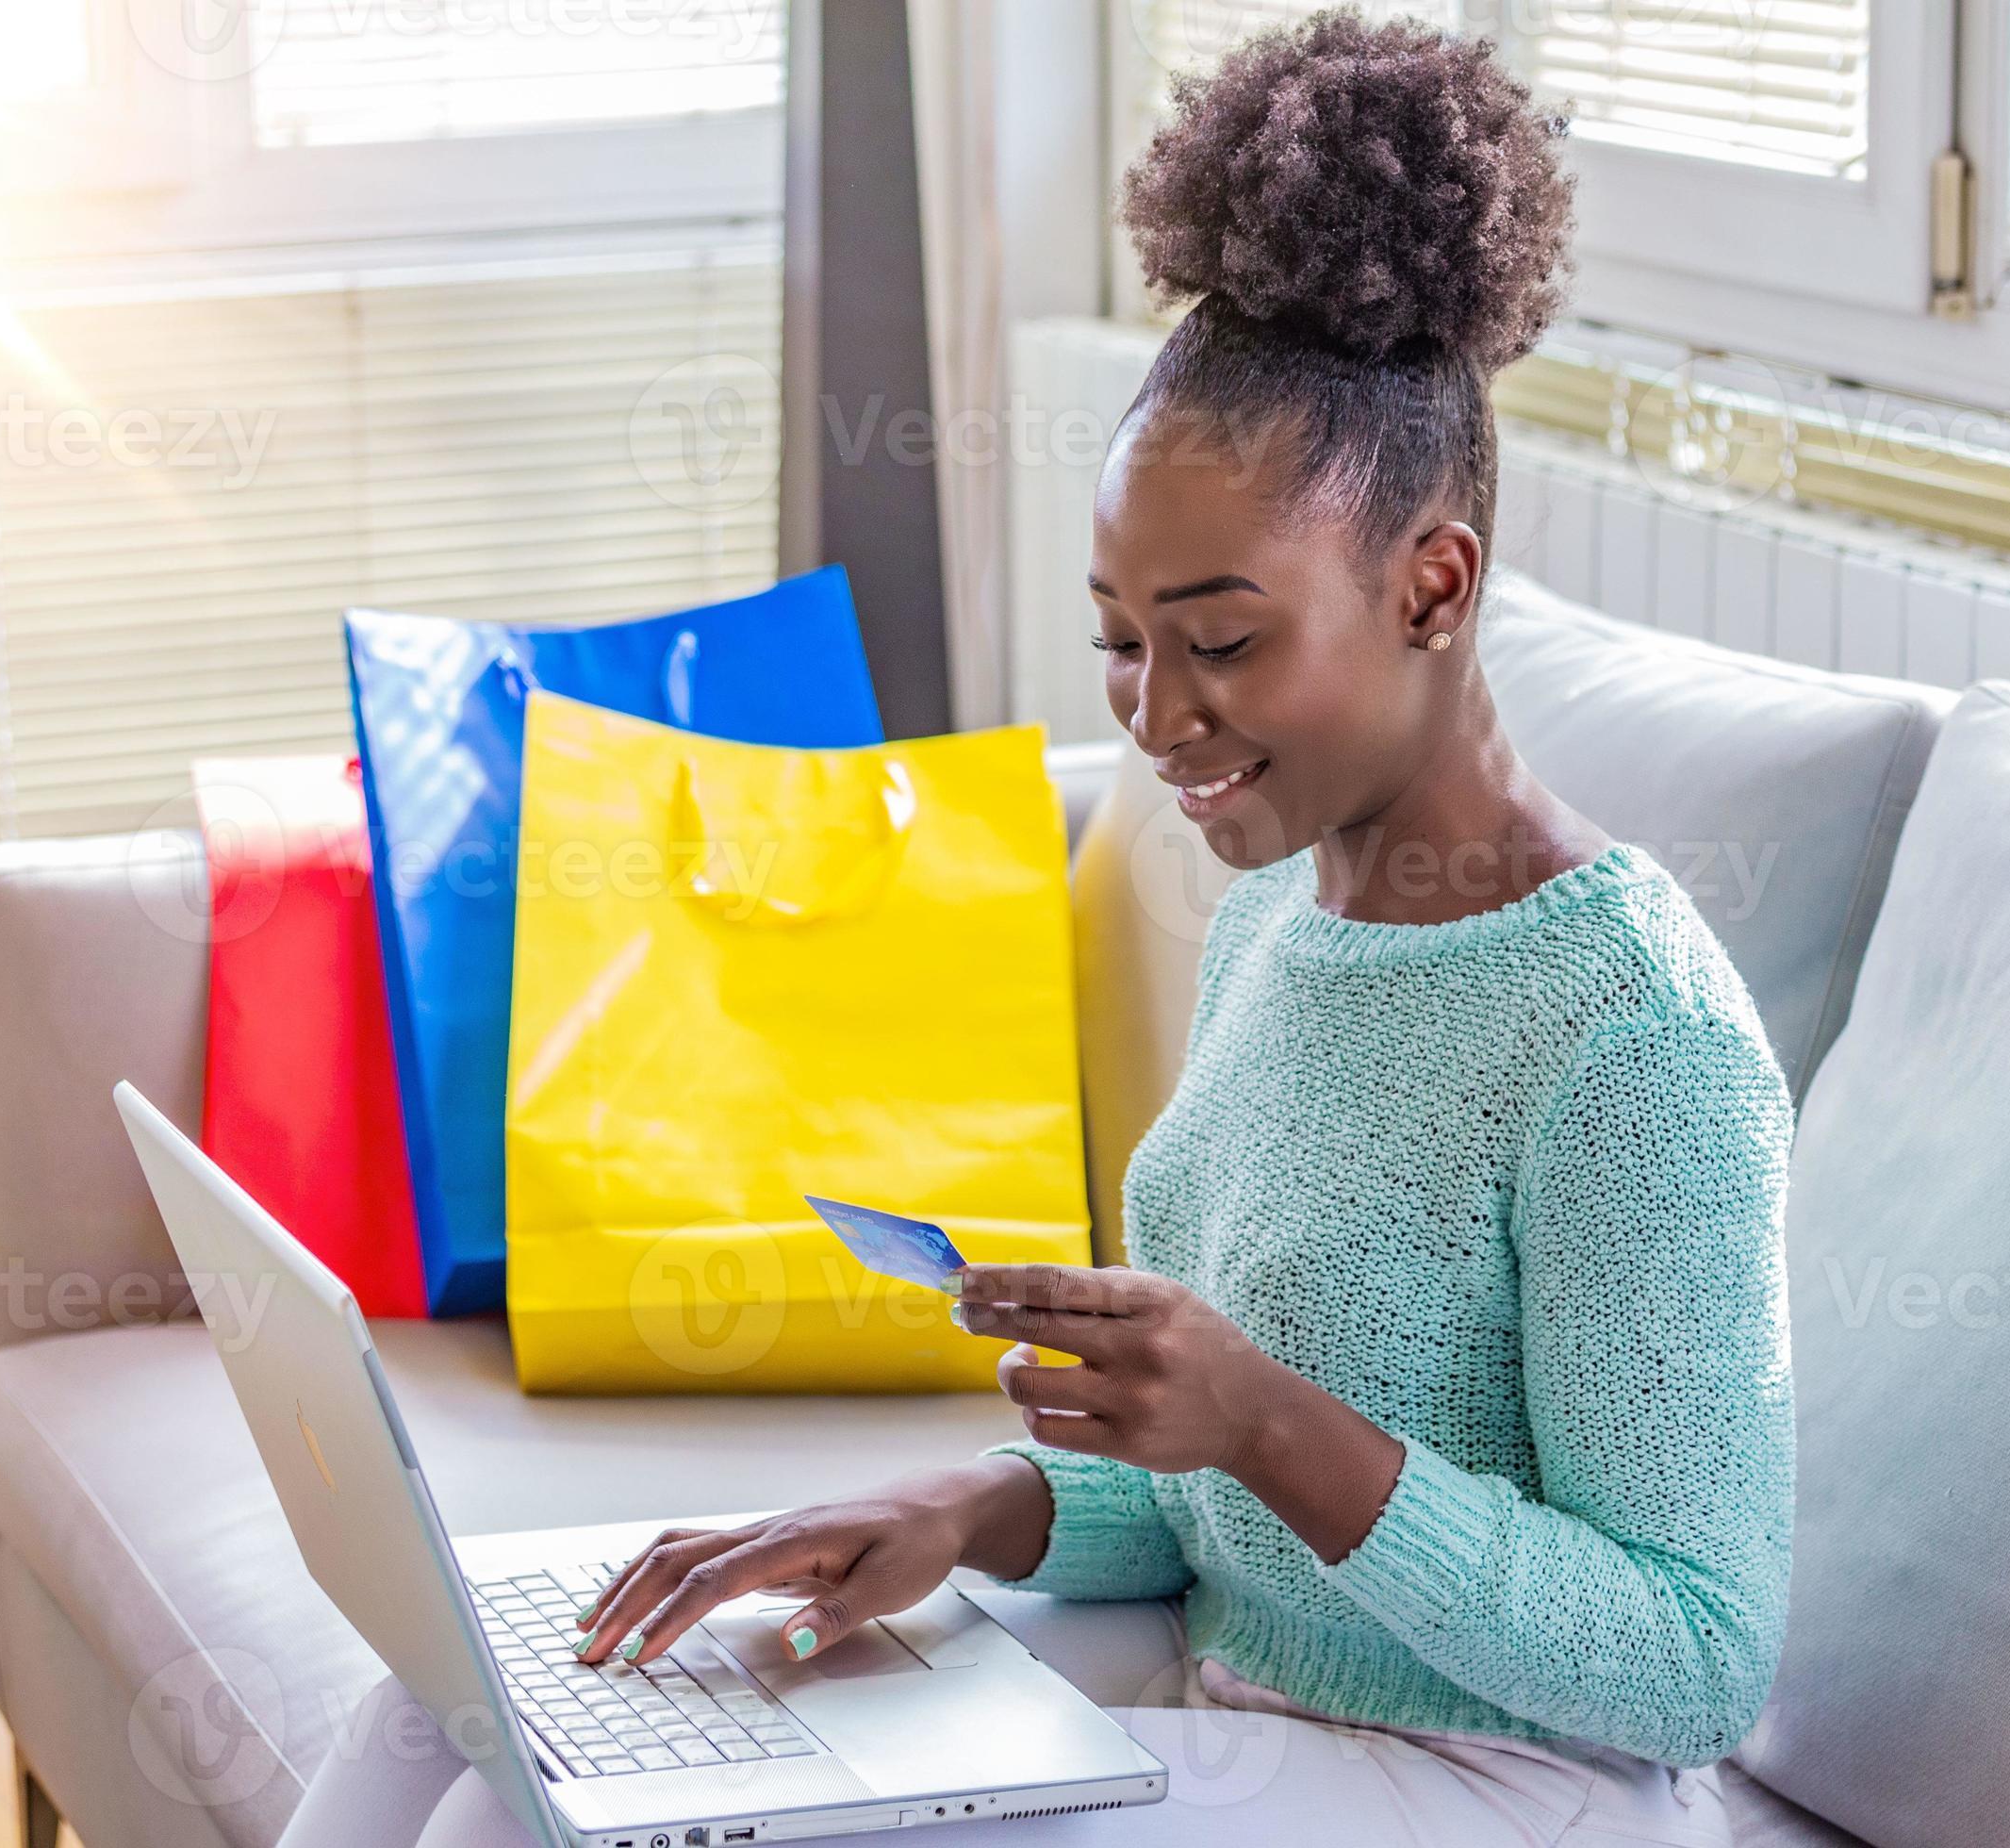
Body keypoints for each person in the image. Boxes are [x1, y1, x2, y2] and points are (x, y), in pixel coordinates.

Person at [285, 15, 1790, 1844]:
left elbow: (1699, 1658)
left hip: (1516, 1788)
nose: (1155, 716)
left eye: (1221, 640)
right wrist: (961, 1507)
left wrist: (1258, 1413)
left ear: (1436, 581)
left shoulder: (1632, 1034)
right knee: (468, 1696)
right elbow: (1194, 1496)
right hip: (1252, 1699)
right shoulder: (1280, 926)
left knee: (535, 1826)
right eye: (1120, 637)